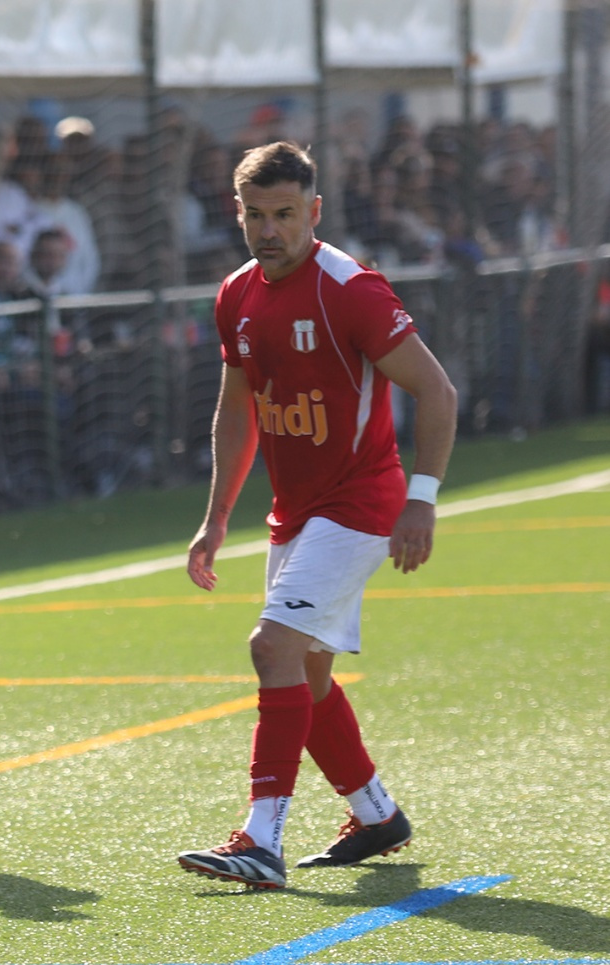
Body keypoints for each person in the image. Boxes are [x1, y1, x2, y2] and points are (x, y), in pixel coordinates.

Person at [177, 142, 458, 890]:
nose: (272, 231)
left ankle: (260, 839)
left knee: (272, 648)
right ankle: (376, 814)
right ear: (237, 213)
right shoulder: (236, 293)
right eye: (257, 216)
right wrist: (217, 518)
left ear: (315, 213)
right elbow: (236, 410)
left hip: (363, 501)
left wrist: (420, 501)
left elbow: (437, 394)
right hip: (295, 511)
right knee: (308, 672)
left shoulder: (352, 291)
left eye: (287, 215)